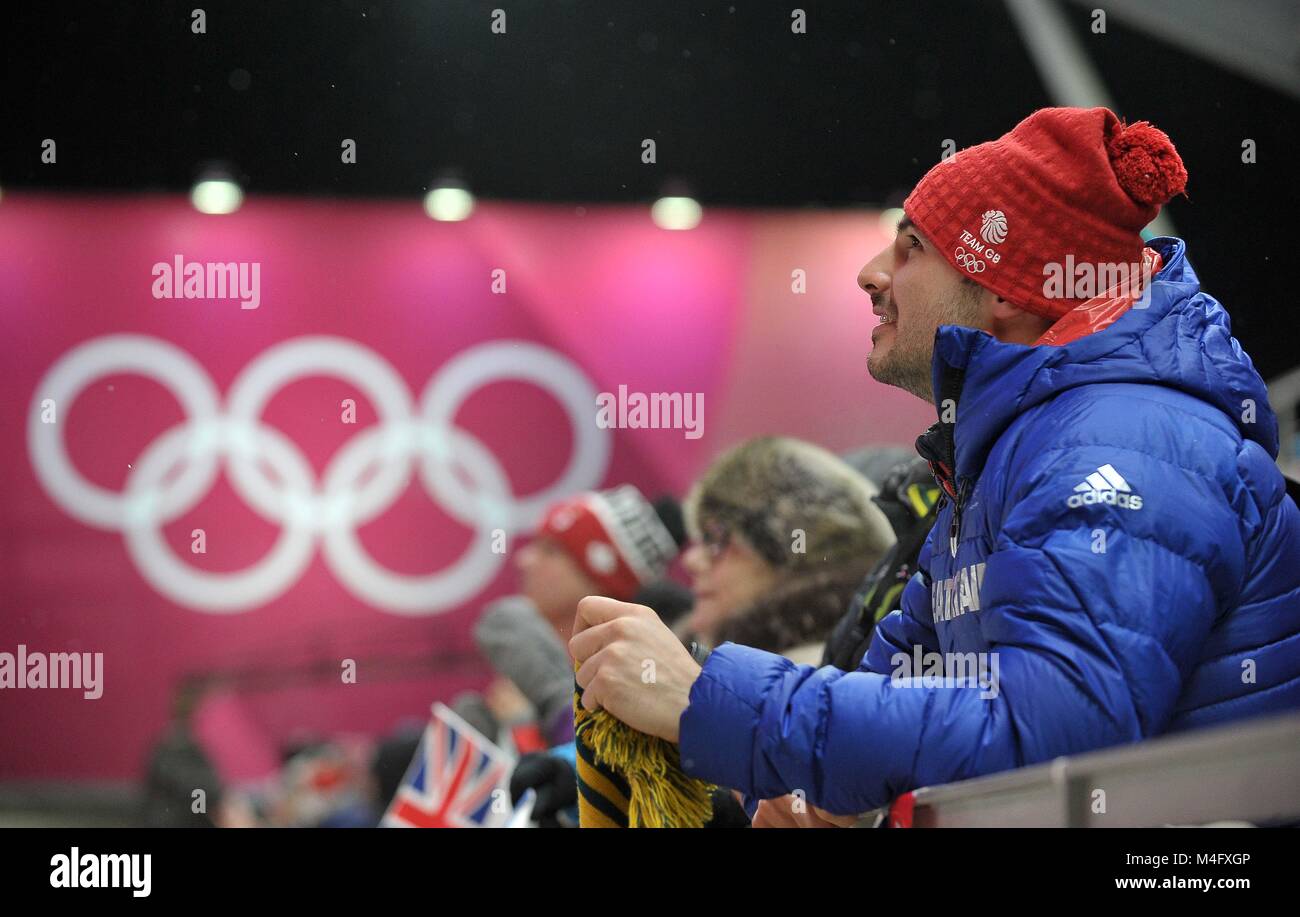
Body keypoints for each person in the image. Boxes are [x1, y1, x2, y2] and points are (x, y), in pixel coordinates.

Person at [565, 107, 1300, 825]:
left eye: (912, 246)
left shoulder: (1126, 442)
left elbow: (1051, 724)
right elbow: (897, 683)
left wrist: (708, 699)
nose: (869, 273)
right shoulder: (1005, 455)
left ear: (1010, 288)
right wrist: (815, 790)